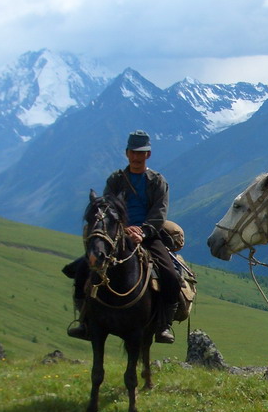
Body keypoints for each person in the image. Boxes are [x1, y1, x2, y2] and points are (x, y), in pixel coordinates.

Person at [67, 129, 182, 343]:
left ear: (148, 155)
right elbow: (108, 208)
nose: (137, 157)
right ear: (127, 153)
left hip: (149, 235)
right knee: (83, 269)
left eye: (142, 153)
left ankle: (163, 325)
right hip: (117, 234)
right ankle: (84, 322)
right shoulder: (116, 180)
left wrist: (144, 232)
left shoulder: (157, 181)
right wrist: (125, 228)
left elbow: (159, 213)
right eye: (133, 152)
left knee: (171, 275)